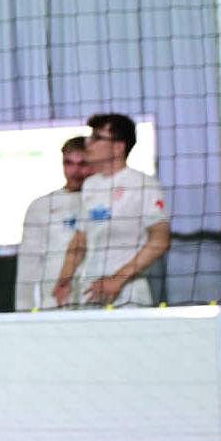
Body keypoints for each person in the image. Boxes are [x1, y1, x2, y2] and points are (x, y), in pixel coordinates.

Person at [54, 113, 170, 308]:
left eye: (97, 138)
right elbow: (80, 240)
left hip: (128, 295)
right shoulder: (91, 185)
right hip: (90, 292)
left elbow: (160, 240)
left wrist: (117, 280)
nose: (88, 143)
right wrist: (64, 279)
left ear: (118, 147)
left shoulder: (143, 184)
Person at [14, 137, 90, 311]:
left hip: (93, 298)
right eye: (69, 163)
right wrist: (22, 310)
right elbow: (28, 264)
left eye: (82, 164)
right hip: (54, 300)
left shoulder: (103, 202)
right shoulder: (41, 206)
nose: (75, 171)